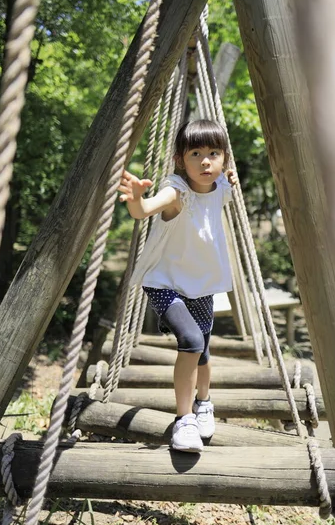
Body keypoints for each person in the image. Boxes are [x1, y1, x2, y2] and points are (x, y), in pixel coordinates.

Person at [118, 119, 236, 453]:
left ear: (225, 157)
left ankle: (204, 402)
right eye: (195, 153)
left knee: (204, 350)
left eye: (214, 153)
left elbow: (226, 186)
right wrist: (136, 199)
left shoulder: (221, 187)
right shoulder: (176, 190)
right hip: (164, 282)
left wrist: (230, 178)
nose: (205, 161)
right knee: (192, 340)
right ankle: (183, 421)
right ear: (179, 159)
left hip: (202, 285)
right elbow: (145, 210)